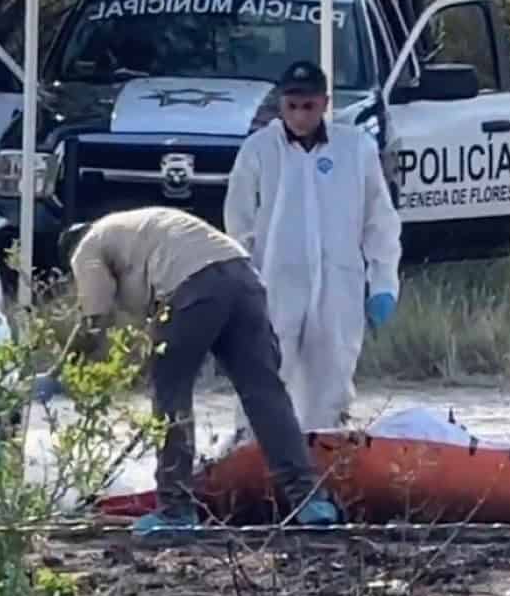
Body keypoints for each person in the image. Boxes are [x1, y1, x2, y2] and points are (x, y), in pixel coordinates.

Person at [53, 207, 341, 534]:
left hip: (193, 286)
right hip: (243, 276)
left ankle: (175, 509)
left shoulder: (86, 247)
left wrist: (60, 372)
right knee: (265, 394)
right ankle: (309, 500)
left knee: (171, 398)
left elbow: (95, 321)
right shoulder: (135, 230)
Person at [224, 60, 402, 435]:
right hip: (273, 286)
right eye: (291, 106)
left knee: (332, 387)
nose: (300, 116)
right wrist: (241, 286)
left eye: (308, 106)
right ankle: (251, 462)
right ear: (280, 105)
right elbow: (238, 226)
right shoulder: (258, 150)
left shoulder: (355, 149)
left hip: (338, 287)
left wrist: (383, 283)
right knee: (265, 380)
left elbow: (379, 222)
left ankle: (323, 471)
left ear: (324, 103)